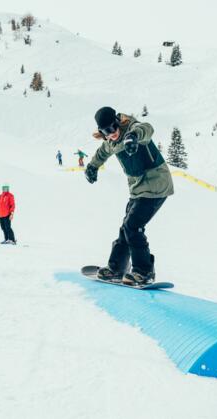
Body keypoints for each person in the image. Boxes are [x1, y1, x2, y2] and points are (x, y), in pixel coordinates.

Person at [84, 106, 174, 285]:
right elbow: (102, 152)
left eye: (112, 128)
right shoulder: (111, 142)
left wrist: (133, 137)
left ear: (118, 122)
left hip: (156, 185)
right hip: (138, 189)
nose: (111, 134)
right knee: (126, 228)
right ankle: (117, 268)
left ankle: (144, 271)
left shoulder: (133, 130)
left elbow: (147, 129)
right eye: (106, 132)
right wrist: (92, 166)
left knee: (133, 226)